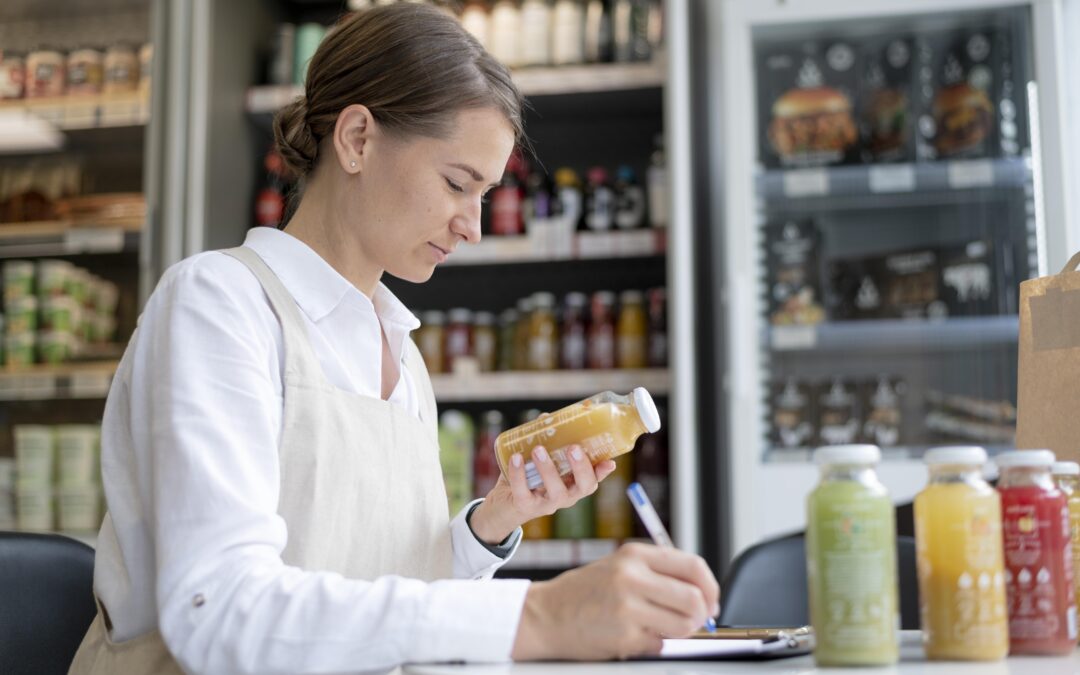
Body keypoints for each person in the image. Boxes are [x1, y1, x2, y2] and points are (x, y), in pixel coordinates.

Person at [68, 4, 719, 674]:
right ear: (356, 139)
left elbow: (385, 608)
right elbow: (221, 610)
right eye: (457, 184)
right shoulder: (217, 305)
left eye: (486, 194)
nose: (474, 225)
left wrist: (487, 524)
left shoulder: (401, 352)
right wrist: (542, 614)